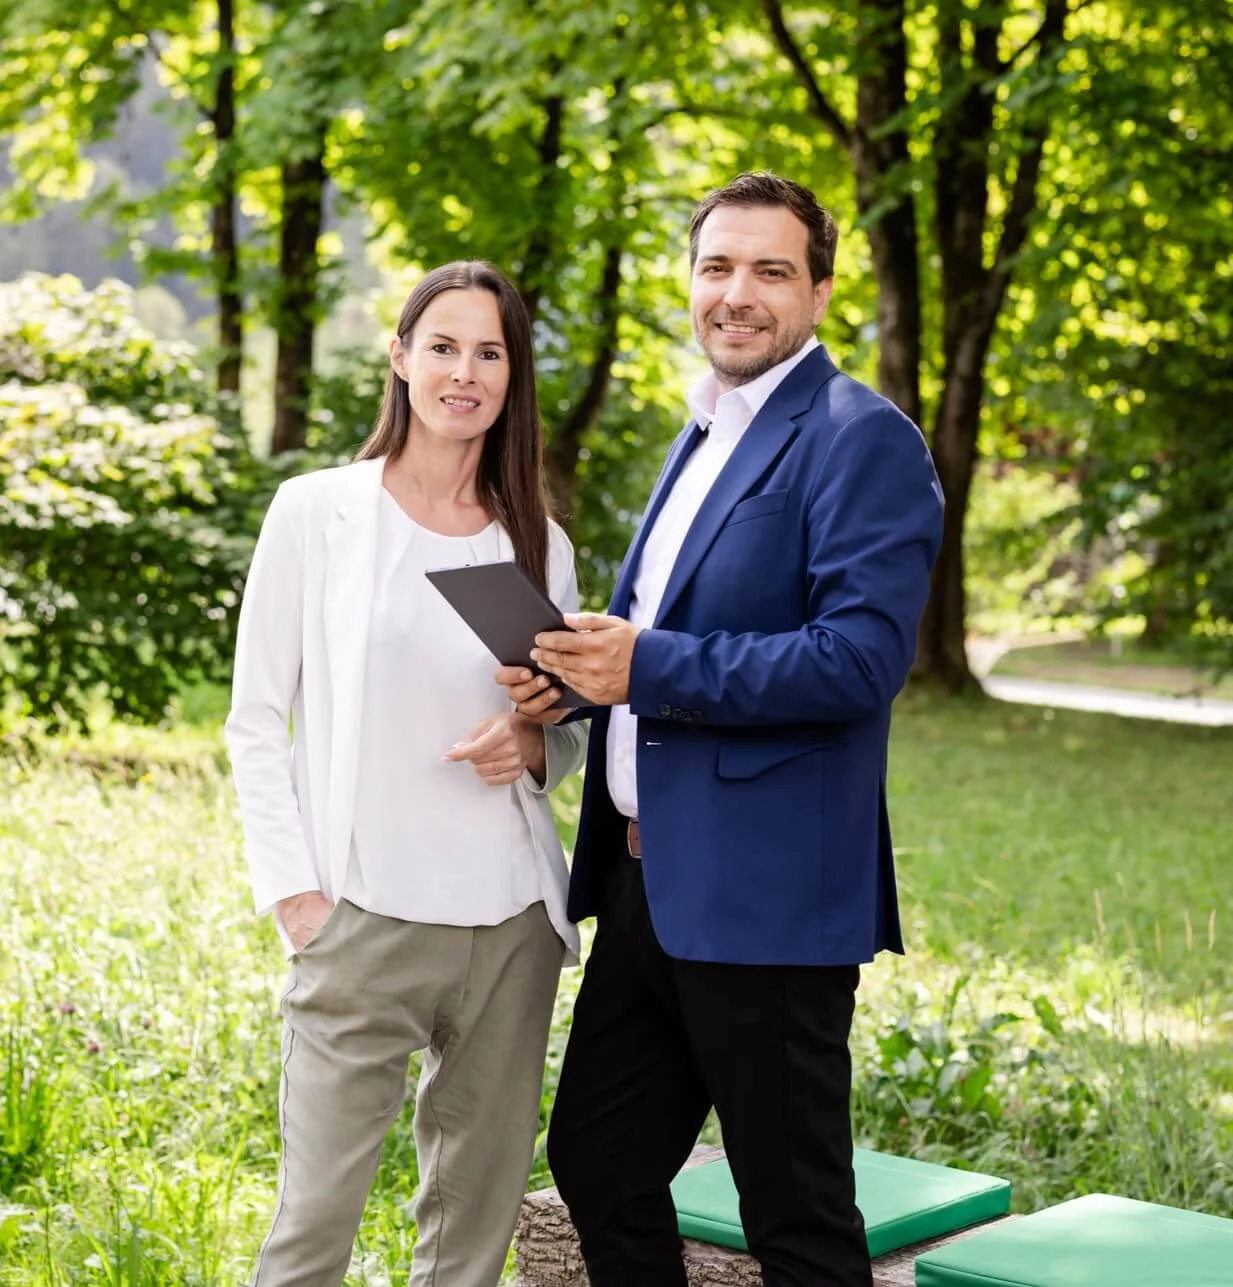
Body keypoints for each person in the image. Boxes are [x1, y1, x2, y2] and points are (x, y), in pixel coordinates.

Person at [500, 173, 944, 1287]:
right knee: (600, 1159)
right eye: (717, 267)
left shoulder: (862, 439)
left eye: (770, 270)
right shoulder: (703, 428)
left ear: (820, 292)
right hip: (646, 885)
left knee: (794, 1214)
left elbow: (858, 661)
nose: (737, 292)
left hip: (768, 892)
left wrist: (645, 665)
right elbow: (675, 629)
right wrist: (578, 680)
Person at [225, 260, 587, 1287]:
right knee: (311, 1231)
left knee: (470, 1243)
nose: (464, 372)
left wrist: (532, 743)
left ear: (512, 377)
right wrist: (296, 898)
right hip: (360, 917)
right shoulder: (317, 513)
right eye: (443, 347)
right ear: (399, 357)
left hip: (509, 928)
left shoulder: (539, 544)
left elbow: (565, 730)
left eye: (489, 353)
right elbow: (255, 720)